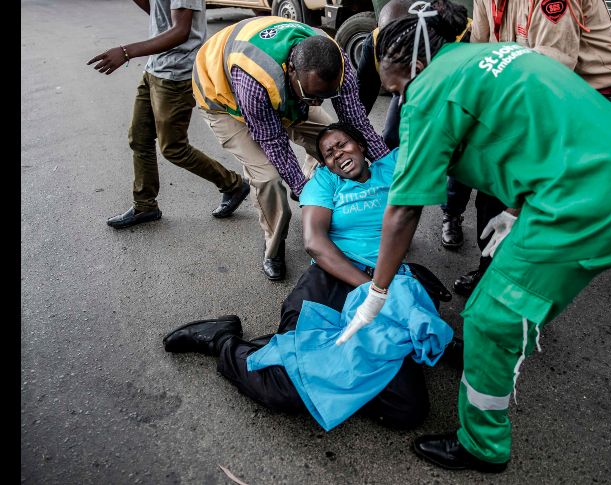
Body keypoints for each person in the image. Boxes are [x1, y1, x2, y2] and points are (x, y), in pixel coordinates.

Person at [336, 0, 611, 472]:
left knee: (490, 318)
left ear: (412, 63)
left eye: (390, 80)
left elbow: (402, 211)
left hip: (591, 202)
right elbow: (537, 131)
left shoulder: (429, 92)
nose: (393, 93)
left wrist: (377, 291)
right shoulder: (490, 55)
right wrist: (517, 211)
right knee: (508, 295)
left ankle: (483, 446)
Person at [163, 123, 459, 431]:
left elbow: (443, 138)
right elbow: (314, 242)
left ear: (360, 144)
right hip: (335, 277)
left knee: (407, 411)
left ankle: (334, 373)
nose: (336, 155)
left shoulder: (393, 165)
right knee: (284, 387)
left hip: (393, 278)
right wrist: (375, 291)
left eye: (342, 144)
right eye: (328, 153)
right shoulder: (324, 182)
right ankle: (219, 340)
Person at [451, 0, 611, 296]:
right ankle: (495, 265)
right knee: (483, 157)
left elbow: (551, 71)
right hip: (527, 78)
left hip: (585, 86)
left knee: (505, 169)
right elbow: (479, 51)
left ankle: (509, 276)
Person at [192, 17, 389, 281]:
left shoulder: (337, 65)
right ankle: (273, 245)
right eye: (312, 97)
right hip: (224, 100)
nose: (318, 103)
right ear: (292, 71)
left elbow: (357, 126)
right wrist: (303, 189)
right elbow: (273, 141)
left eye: (325, 96)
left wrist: (389, 167)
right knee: (269, 179)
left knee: (334, 141)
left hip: (283, 93)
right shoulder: (256, 79)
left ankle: (336, 205)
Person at [87, 0, 250, 230]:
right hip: (155, 67)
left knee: (174, 148)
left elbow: (180, 31)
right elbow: (158, 13)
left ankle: (233, 185)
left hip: (176, 74)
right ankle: (145, 205)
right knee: (139, 137)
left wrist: (126, 52)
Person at [356, 0, 473, 249]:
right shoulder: (377, 41)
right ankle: (390, 206)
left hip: (453, 90)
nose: (389, 44)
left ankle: (452, 212)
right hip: (410, 81)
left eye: (396, 41)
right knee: (391, 139)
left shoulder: (459, 39)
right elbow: (363, 94)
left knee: (460, 152)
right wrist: (354, 133)